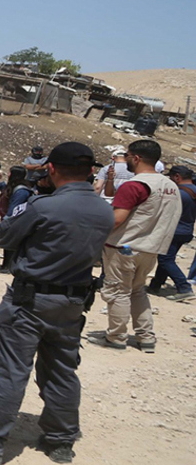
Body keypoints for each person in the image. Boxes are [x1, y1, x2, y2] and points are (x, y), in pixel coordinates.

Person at [0, 142, 114, 465]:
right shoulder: (104, 210)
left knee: (10, 373)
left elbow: (4, 238)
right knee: (62, 371)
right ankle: (60, 440)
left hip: (30, 301)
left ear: (52, 169)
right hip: (73, 302)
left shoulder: (43, 206)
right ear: (90, 172)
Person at [87, 139, 181, 353]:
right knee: (138, 291)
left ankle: (116, 337)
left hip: (123, 248)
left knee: (118, 292)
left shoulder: (135, 185)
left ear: (136, 158)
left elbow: (117, 219)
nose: (126, 159)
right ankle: (145, 336)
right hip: (151, 248)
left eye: (128, 155)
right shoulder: (171, 186)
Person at [147, 166, 196, 301]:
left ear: (177, 177)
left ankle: (184, 287)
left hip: (174, 230)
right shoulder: (193, 191)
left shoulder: (179, 193)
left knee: (165, 260)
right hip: (187, 230)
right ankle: (155, 285)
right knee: (166, 257)